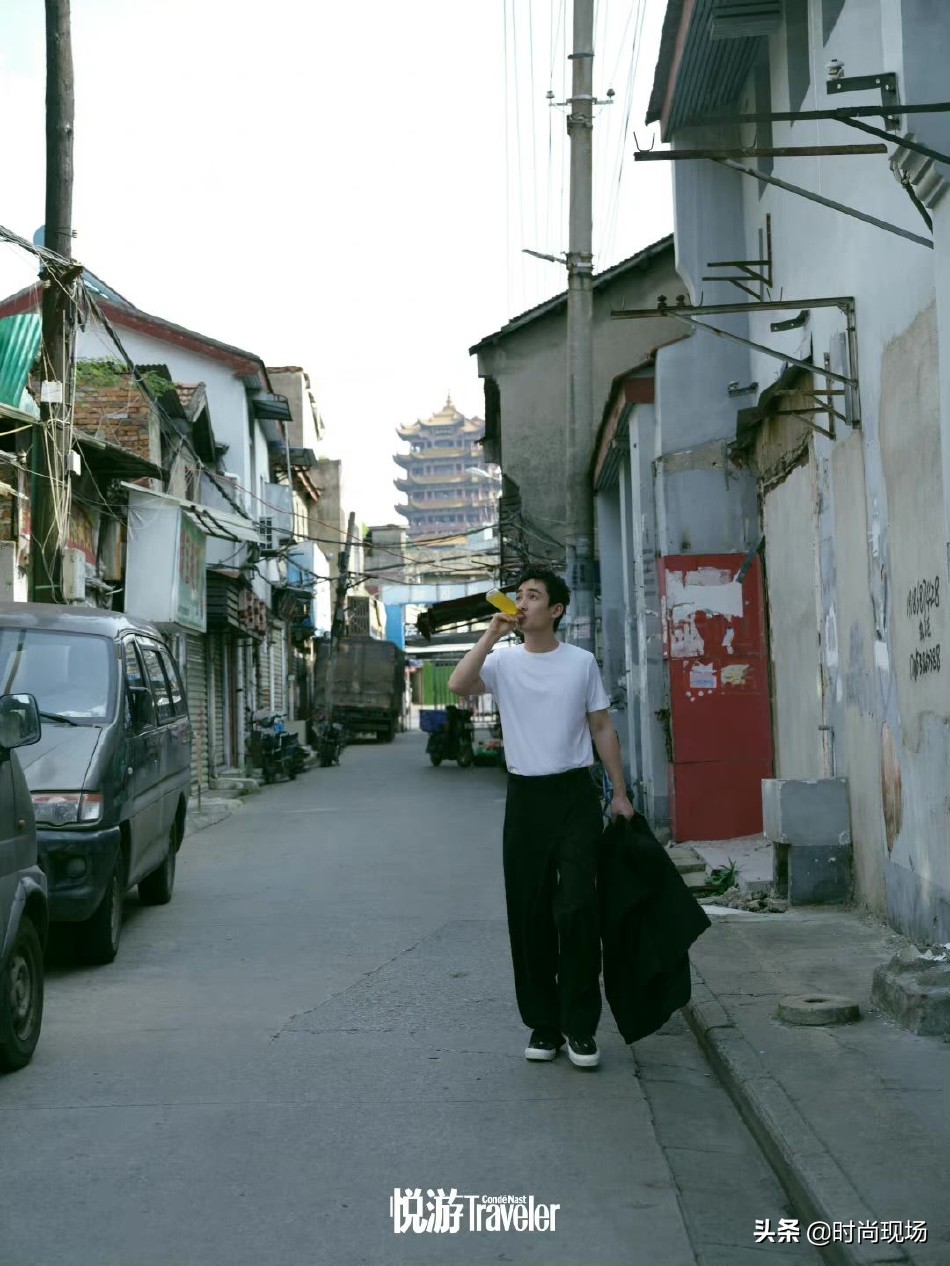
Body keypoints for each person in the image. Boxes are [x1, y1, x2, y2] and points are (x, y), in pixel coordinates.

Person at [448, 567, 635, 1069]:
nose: (522, 603)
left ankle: (580, 1027)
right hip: (525, 798)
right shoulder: (504, 664)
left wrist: (619, 792)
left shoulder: (581, 663)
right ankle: (543, 1025)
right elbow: (458, 684)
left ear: (554, 611)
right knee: (528, 913)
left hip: (574, 793)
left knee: (576, 909)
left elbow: (601, 726)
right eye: (519, 596)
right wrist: (490, 633)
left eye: (533, 596)